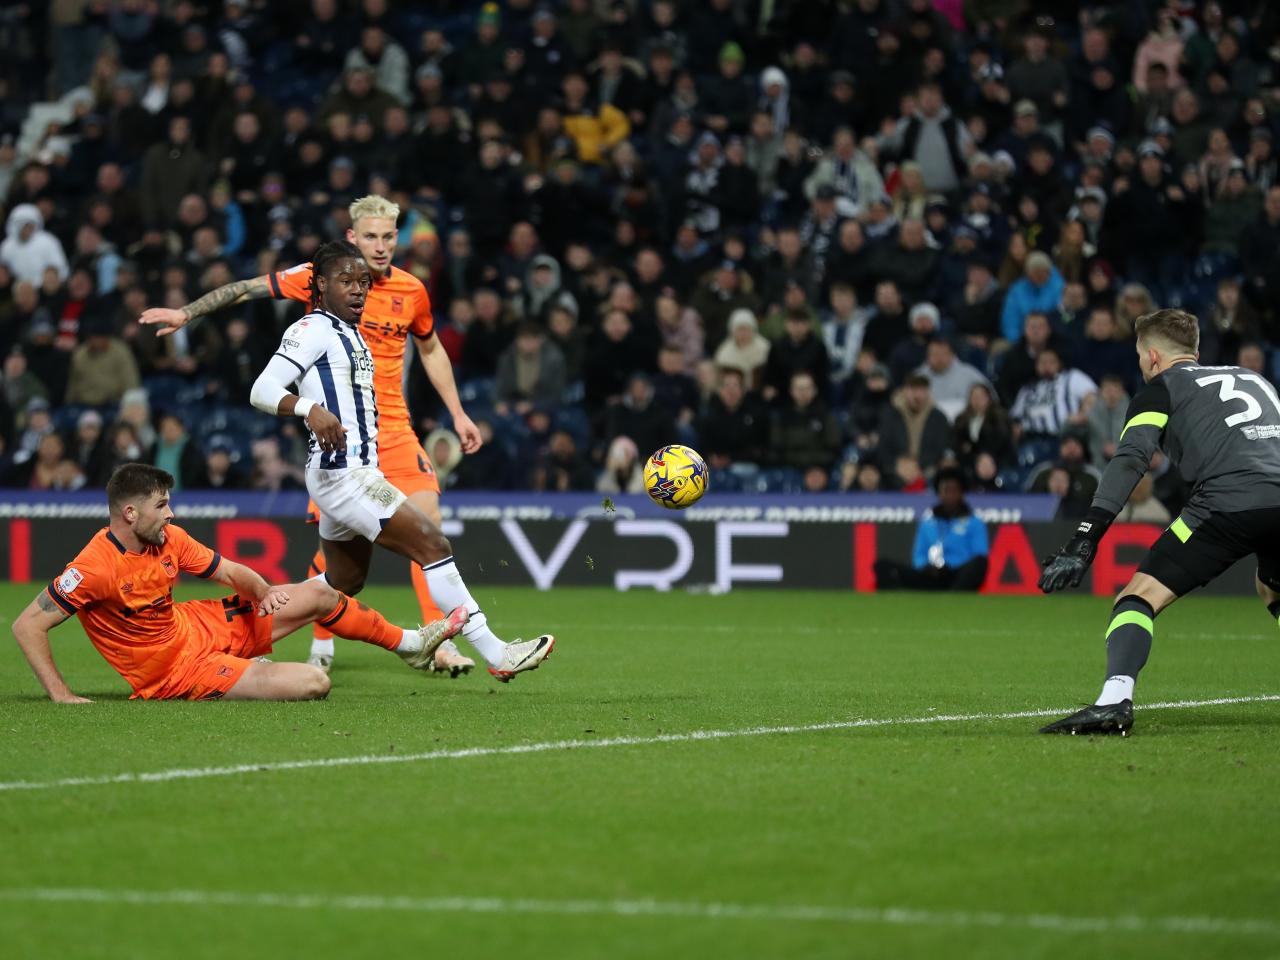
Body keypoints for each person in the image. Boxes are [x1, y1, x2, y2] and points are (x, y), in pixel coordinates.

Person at [140, 195, 481, 678]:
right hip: (340, 439)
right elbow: (244, 290)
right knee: (339, 567)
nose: (381, 247)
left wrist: (458, 413)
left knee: (428, 526)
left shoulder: (412, 290)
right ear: (352, 239)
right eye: (371, 237)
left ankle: (441, 641)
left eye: (389, 237)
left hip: (395, 431)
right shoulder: (321, 278)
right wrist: (187, 313)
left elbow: (431, 350)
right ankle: (309, 634)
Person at [247, 241, 555, 682]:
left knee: (343, 581)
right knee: (433, 545)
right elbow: (262, 388)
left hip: (349, 471)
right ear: (319, 284)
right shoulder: (312, 328)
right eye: (345, 281)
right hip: (344, 473)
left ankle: (242, 637)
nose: (357, 290)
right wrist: (308, 410)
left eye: (363, 283)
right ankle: (496, 651)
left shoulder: (349, 332)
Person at [10, 464, 468, 703]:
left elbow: (230, 571)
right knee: (313, 683)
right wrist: (62, 694)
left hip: (195, 624)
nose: (170, 513)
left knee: (324, 592)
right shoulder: (93, 567)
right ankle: (245, 663)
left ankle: (411, 645)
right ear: (130, 513)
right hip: (173, 672)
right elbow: (27, 625)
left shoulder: (168, 538)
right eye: (161, 505)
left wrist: (263, 592)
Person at [1038, 309, 1280, 735]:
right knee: (1272, 586)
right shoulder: (1253, 378)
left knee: (1138, 596)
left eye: (1138, 355)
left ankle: (1114, 700)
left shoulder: (1161, 388)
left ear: (1152, 356)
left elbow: (1132, 458)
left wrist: (1085, 538)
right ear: (1196, 350)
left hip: (1225, 504)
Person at [874, 467, 989, 591]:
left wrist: (950, 566)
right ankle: (902, 603)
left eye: (953, 490)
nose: (949, 495)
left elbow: (979, 555)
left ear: (961, 493)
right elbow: (918, 555)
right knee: (882, 566)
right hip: (930, 575)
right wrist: (928, 567)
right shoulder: (928, 522)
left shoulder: (974, 522)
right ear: (939, 493)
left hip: (957, 575)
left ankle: (954, 597)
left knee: (980, 563)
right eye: (945, 490)